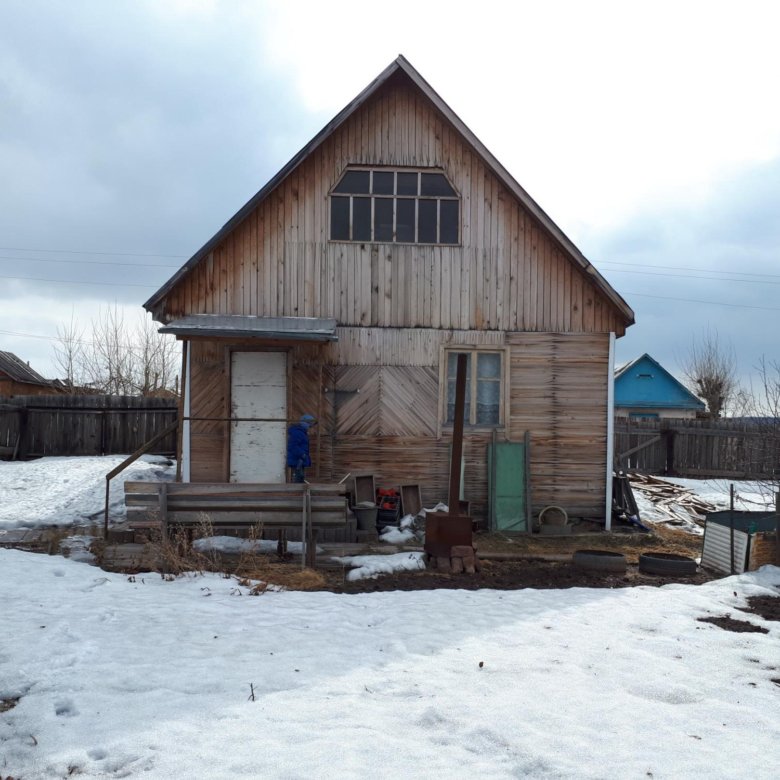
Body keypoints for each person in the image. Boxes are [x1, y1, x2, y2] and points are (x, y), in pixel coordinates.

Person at [287, 413, 316, 483]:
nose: (310, 427)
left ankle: (298, 493)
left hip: (300, 460)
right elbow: (293, 446)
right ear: (305, 423)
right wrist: (302, 454)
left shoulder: (302, 433)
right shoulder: (297, 433)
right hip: (297, 461)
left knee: (300, 479)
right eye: (310, 424)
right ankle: (296, 493)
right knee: (298, 480)